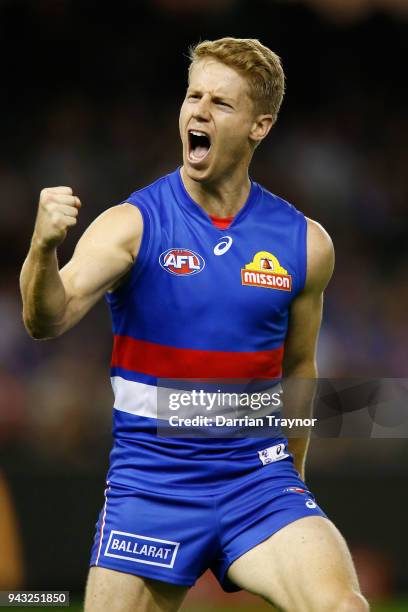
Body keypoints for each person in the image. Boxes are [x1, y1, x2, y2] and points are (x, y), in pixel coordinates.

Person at [20, 37, 369, 612]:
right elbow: (46, 319)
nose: (198, 112)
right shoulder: (132, 225)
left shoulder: (304, 244)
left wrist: (294, 474)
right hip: (151, 489)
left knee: (343, 607)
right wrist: (42, 248)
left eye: (220, 103)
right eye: (192, 96)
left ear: (260, 126)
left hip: (259, 483)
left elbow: (299, 367)